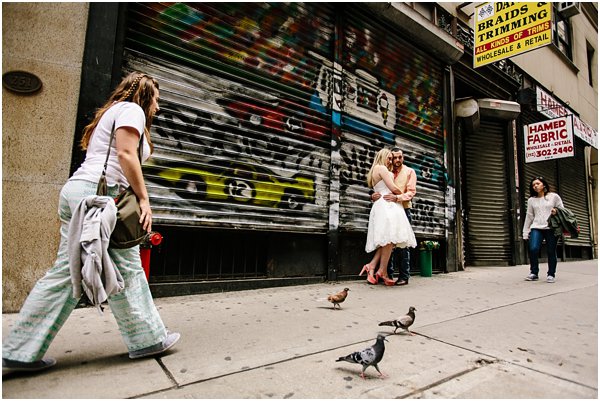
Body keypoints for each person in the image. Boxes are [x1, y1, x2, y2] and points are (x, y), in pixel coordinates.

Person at [2, 72, 180, 374]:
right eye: (157, 101)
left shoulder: (110, 113)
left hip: (79, 192)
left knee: (68, 270)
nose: (158, 109)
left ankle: (20, 350)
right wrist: (143, 199)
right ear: (147, 95)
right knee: (127, 265)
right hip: (101, 197)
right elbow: (125, 153)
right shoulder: (132, 110)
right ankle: (147, 338)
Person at [360, 148, 417, 286]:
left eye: (398, 157)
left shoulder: (409, 172)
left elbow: (411, 192)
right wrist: (373, 196)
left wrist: (397, 197)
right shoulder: (384, 169)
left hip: (403, 208)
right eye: (392, 157)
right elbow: (384, 188)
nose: (395, 160)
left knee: (401, 245)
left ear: (403, 158)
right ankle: (384, 272)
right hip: (388, 208)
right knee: (388, 240)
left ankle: (403, 276)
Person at [522, 176, 564, 283]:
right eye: (533, 185)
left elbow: (562, 210)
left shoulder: (554, 197)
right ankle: (534, 273)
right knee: (533, 249)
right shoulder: (531, 200)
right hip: (536, 227)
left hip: (551, 227)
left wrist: (556, 211)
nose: (535, 186)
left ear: (543, 185)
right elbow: (529, 216)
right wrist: (525, 231)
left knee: (551, 251)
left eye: (537, 184)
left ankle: (551, 274)